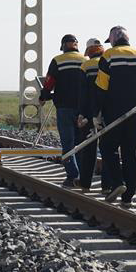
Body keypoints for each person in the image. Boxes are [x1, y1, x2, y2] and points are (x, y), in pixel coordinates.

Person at [90, 26, 136, 208]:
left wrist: (95, 113)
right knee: (130, 153)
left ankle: (118, 182)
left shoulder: (109, 56)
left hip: (113, 114)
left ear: (113, 39)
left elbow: (101, 88)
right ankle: (128, 196)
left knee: (107, 148)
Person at [39, 34, 86, 188]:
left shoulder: (58, 60)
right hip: (83, 109)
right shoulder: (85, 60)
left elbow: (49, 82)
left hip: (65, 107)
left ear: (63, 46)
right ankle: (82, 176)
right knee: (82, 143)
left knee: (68, 143)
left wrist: (44, 96)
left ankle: (72, 176)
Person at [77, 38, 110, 194]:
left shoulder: (85, 66)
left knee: (89, 149)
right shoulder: (109, 62)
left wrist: (81, 114)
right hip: (109, 113)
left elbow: (82, 93)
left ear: (89, 52)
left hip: (90, 114)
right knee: (108, 149)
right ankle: (107, 185)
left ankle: (85, 183)